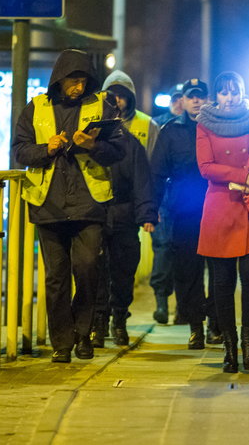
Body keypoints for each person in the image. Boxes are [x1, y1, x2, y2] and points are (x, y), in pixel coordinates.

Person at [13, 49, 125, 363]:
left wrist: (93, 145)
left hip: (89, 202)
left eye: (83, 80)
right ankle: (62, 342)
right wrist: (45, 149)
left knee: (88, 269)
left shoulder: (101, 105)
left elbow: (118, 150)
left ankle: (83, 333)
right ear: (59, 80)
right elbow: (19, 151)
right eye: (72, 80)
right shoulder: (35, 107)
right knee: (56, 277)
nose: (78, 86)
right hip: (47, 202)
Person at [196, 71, 249, 373]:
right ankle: (229, 347)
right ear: (216, 96)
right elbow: (206, 167)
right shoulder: (205, 123)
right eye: (223, 92)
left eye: (234, 91)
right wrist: (245, 176)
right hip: (220, 205)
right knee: (221, 281)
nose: (229, 97)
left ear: (243, 93)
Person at [148, 78, 221, 349]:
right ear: (184, 100)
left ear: (208, 99)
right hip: (184, 212)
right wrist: (150, 209)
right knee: (187, 272)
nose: (196, 101)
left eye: (201, 96)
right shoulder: (171, 131)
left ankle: (216, 324)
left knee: (218, 271)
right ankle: (195, 327)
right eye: (191, 97)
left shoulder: (220, 128)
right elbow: (157, 173)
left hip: (217, 210)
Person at [94, 70, 159, 347]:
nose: (117, 102)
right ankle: (98, 324)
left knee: (122, 271)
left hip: (124, 214)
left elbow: (144, 178)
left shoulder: (133, 141)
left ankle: (118, 319)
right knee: (96, 272)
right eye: (112, 96)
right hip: (94, 214)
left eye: (122, 97)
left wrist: (146, 213)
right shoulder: (89, 135)